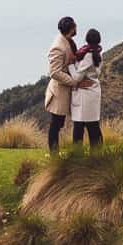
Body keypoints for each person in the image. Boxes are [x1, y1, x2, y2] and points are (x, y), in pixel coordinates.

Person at [44, 16, 95, 153]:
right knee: (56, 124)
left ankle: (78, 152)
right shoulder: (58, 47)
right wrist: (75, 82)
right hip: (60, 91)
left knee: (78, 122)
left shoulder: (68, 41)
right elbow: (54, 72)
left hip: (69, 89)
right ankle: (55, 156)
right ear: (72, 29)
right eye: (75, 26)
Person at [70, 28, 104, 149]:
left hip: (85, 94)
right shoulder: (97, 53)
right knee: (93, 125)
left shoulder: (88, 55)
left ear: (86, 39)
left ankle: (77, 156)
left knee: (79, 127)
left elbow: (77, 77)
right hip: (93, 93)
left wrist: (70, 66)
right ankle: (97, 156)